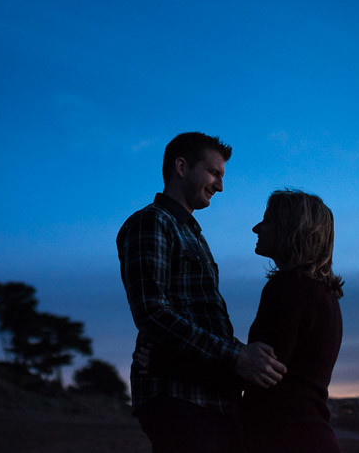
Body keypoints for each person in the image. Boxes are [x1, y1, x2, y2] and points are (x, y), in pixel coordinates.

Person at [117, 132, 287, 453]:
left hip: (212, 397)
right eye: (213, 173)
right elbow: (152, 313)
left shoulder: (193, 234)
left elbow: (202, 320)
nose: (220, 186)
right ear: (181, 167)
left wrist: (246, 359)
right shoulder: (151, 223)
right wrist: (236, 356)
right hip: (176, 396)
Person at [242, 190, 344, 453]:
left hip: (284, 437)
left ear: (290, 229)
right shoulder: (324, 294)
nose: (256, 228)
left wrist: (169, 361)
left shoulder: (288, 288)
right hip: (312, 435)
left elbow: (259, 370)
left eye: (267, 220)